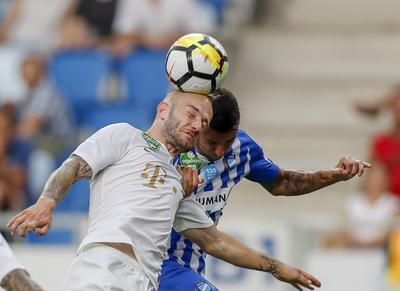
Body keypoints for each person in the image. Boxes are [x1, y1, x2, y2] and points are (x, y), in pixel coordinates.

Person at [7, 90, 320, 291]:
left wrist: (277, 268)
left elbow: (216, 242)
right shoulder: (124, 137)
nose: (198, 124)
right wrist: (47, 202)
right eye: (192, 114)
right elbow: (73, 167)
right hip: (103, 269)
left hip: (145, 281)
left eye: (204, 121)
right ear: (163, 109)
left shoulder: (175, 184)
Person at [159, 88, 371, 291]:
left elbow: (283, 182)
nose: (220, 151)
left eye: (228, 141)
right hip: (159, 261)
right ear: (199, 127)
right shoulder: (171, 151)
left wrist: (331, 175)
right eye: (212, 142)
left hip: (191, 266)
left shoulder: (243, 149)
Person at [328, 162, 399, 249]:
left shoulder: (393, 203)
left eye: (380, 179)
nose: (376, 182)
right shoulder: (353, 202)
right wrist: (357, 242)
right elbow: (344, 228)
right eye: (373, 178)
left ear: (386, 180)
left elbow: (391, 231)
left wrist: (372, 243)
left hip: (382, 251)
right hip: (353, 250)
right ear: (367, 179)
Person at [0, 104, 30, 211]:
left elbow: (19, 180)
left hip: (15, 200)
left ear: (11, 131)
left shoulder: (20, 146)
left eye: (4, 130)